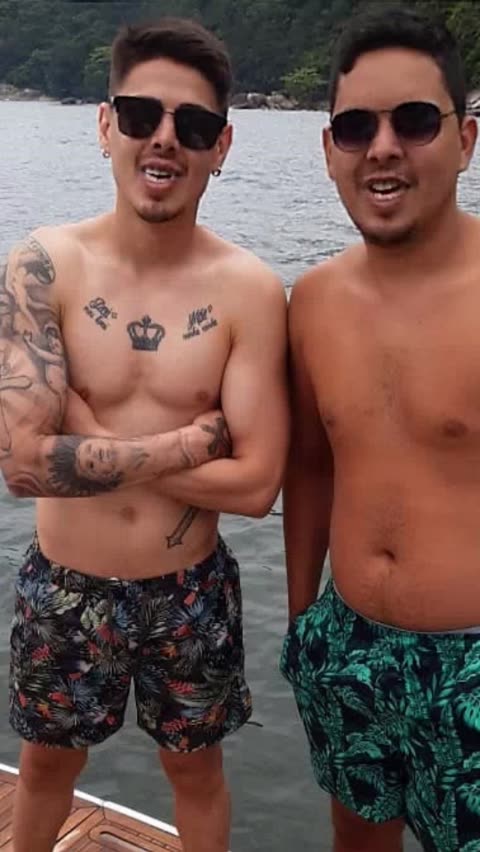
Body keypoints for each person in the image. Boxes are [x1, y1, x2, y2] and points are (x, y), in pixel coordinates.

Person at [0, 17, 288, 852]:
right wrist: (189, 444)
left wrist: (86, 434)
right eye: (140, 115)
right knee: (46, 767)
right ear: (105, 126)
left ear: (220, 146)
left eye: (192, 125)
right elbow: (23, 465)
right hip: (67, 583)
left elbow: (257, 487)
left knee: (195, 774)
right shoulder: (44, 265)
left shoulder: (249, 291)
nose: (164, 139)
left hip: (189, 589)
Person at [280, 6, 480, 851]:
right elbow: (310, 465)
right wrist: (302, 621)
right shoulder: (313, 301)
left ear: (466, 139)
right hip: (347, 641)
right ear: (331, 150)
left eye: (416, 121)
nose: (384, 148)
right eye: (357, 127)